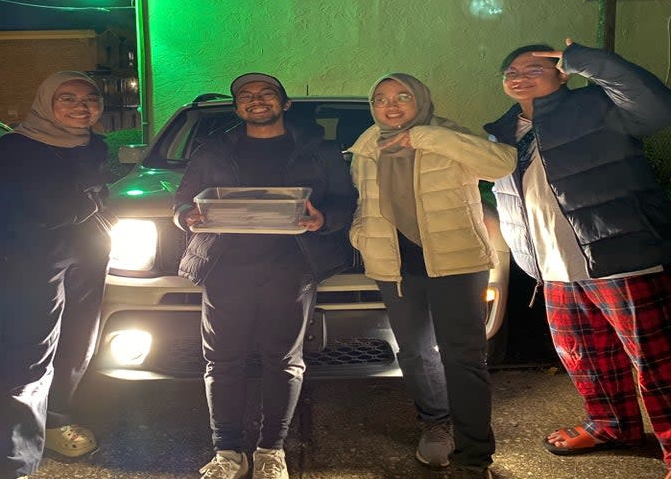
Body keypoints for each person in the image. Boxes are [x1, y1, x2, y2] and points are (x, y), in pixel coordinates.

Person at [484, 38, 671, 479]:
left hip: (623, 256)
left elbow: (658, 108)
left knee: (658, 362)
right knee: (585, 356)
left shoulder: (598, 107)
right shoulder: (501, 134)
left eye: (535, 68)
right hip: (553, 267)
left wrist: (587, 59)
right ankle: (612, 426)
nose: (519, 76)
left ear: (562, 72)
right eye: (511, 70)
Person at [173, 72, 357, 479]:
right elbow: (183, 200)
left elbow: (346, 201)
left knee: (283, 360)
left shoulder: (318, 150)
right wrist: (185, 216)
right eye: (246, 96)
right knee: (222, 361)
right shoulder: (212, 150)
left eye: (266, 93)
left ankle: (271, 451)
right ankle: (227, 452)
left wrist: (324, 219)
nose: (256, 100)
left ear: (284, 103)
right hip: (224, 268)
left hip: (291, 269)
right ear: (238, 107)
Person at [347, 73, 517, 479]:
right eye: (381, 99)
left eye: (402, 96)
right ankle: (436, 424)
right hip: (396, 265)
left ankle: (474, 453)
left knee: (464, 357)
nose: (391, 105)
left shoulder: (448, 135)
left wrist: (422, 137)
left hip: (456, 263)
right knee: (415, 352)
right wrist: (361, 233)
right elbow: (363, 197)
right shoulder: (367, 145)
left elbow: (502, 164)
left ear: (421, 99)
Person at [0, 71, 112, 479]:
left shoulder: (93, 146)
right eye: (68, 98)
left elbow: (97, 196)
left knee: (78, 345)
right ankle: (13, 464)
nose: (81, 106)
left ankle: (56, 419)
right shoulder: (9, 151)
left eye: (89, 98)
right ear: (46, 102)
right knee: (27, 358)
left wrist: (103, 225)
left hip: (88, 259)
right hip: (31, 262)